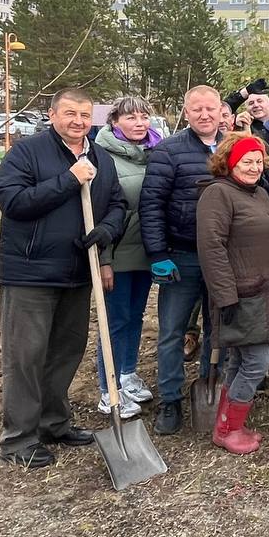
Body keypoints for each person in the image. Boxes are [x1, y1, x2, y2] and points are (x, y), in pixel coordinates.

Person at [0, 87, 126, 468]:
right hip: (31, 273)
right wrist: (69, 179)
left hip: (76, 271)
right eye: (70, 113)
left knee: (66, 352)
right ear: (52, 115)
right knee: (26, 357)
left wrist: (108, 230)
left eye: (85, 115)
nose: (79, 121)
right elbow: (13, 202)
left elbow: (117, 202)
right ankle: (19, 438)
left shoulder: (101, 156)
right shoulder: (27, 152)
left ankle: (54, 422)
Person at [196, 133, 269, 455]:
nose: (253, 167)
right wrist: (226, 297)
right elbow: (212, 248)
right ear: (229, 162)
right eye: (246, 161)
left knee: (239, 359)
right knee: (256, 363)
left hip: (263, 291)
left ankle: (226, 423)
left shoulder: (258, 192)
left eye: (258, 162)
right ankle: (228, 429)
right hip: (240, 294)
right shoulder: (218, 194)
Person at [139, 84, 222, 435]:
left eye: (210, 109)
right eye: (196, 109)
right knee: (172, 332)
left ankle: (209, 386)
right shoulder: (169, 151)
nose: (204, 115)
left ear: (221, 111)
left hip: (220, 258)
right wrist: (158, 253)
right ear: (186, 113)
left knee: (217, 330)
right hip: (182, 255)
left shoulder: (232, 147)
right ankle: (170, 400)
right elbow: (152, 203)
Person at [92, 96, 162, 418]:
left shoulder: (155, 153)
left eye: (144, 116)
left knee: (135, 317)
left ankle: (127, 373)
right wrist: (104, 259)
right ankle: (109, 389)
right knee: (115, 321)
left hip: (146, 252)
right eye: (131, 117)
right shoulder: (102, 156)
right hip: (117, 254)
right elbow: (99, 212)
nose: (139, 123)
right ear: (114, 122)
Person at [227, 79, 269, 209]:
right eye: (251, 103)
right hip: (262, 193)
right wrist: (244, 93)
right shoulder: (242, 128)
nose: (256, 105)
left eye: (260, 101)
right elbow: (223, 109)